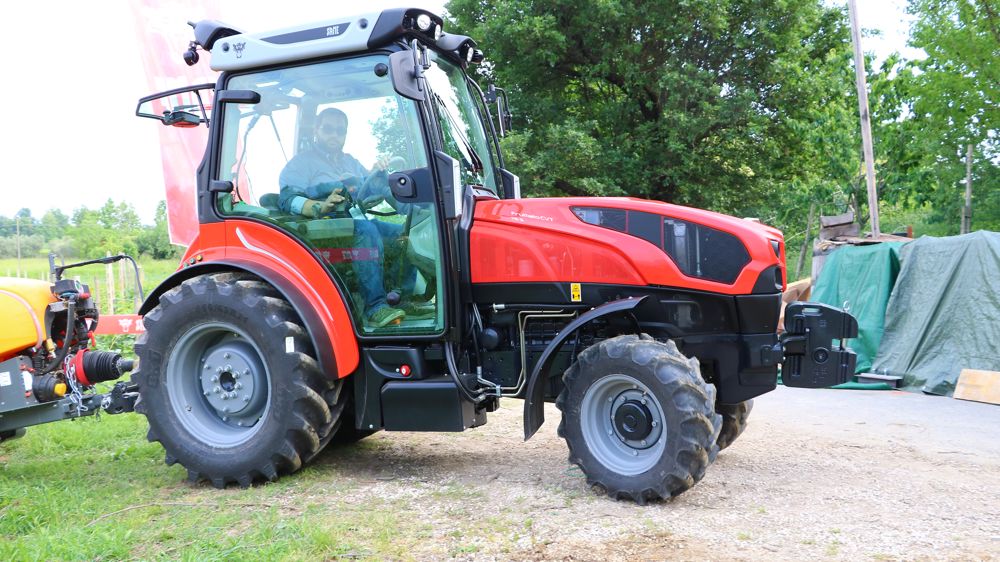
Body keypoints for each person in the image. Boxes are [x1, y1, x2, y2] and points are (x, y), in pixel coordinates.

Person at [278, 107, 408, 328]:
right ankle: (375, 307)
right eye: (328, 129)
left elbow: (367, 190)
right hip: (325, 229)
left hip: (353, 222)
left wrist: (376, 173)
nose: (334, 135)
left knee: (404, 233)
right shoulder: (301, 163)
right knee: (367, 231)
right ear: (316, 130)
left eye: (340, 131)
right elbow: (287, 198)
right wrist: (320, 206)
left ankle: (404, 298)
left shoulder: (350, 161)